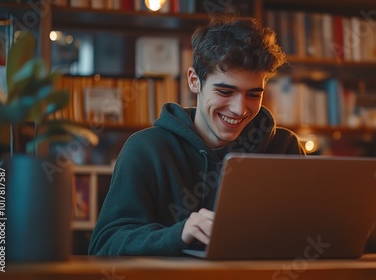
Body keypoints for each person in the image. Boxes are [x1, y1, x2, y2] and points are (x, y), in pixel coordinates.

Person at [88, 14, 305, 256]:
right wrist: (178, 234)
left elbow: (311, 233)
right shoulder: (145, 149)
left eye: (253, 94)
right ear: (194, 81)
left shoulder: (284, 147)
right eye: (225, 91)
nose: (240, 108)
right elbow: (104, 245)